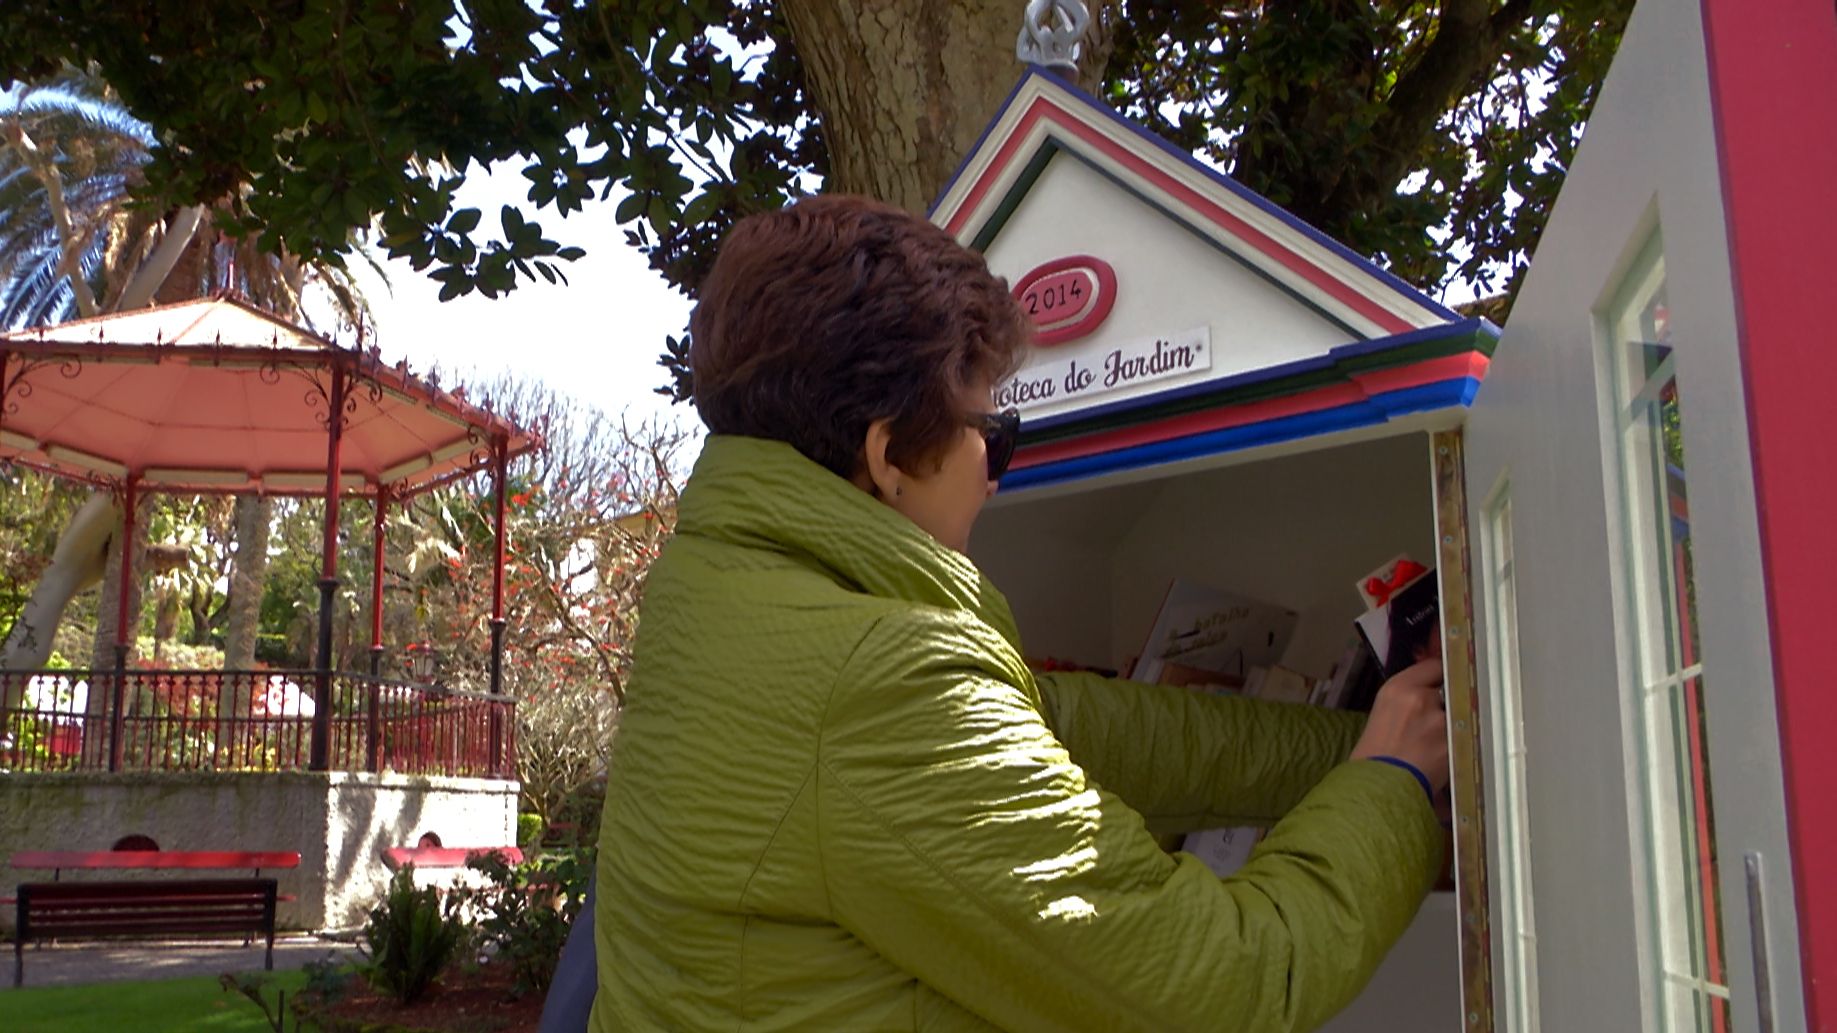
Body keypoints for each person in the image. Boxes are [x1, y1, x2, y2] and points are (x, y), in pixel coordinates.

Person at [585, 194, 1449, 1032]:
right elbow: (1232, 979)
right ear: (888, 457)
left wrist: (1352, 742)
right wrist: (1392, 783)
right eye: (993, 436)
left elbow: (1075, 727)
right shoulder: (886, 682)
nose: (997, 477)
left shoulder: (716, 596)